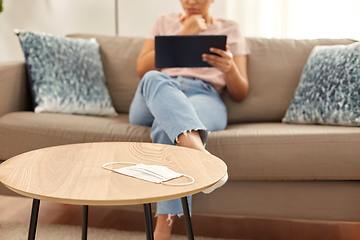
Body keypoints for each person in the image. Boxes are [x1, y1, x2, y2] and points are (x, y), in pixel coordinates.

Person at [129, 0, 250, 239]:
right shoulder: (164, 21)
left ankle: (162, 229)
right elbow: (142, 69)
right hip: (159, 93)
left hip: (203, 95)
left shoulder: (230, 28)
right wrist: (184, 34)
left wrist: (230, 69)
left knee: (167, 128)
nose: (191, 2)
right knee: (153, 77)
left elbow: (240, 92)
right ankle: (200, 157)